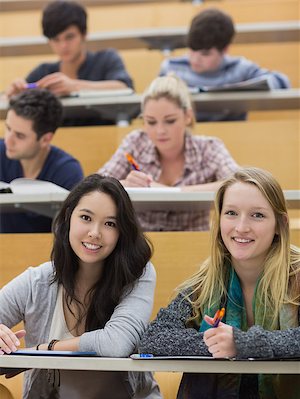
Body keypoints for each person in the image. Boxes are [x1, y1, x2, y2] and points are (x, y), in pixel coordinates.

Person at [140, 167, 300, 399]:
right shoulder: (205, 281)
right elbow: (153, 338)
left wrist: (243, 344)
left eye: (257, 215)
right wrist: (217, 343)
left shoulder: (296, 274)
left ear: (280, 224)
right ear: (219, 220)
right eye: (231, 213)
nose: (241, 227)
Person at [0, 174, 162, 399]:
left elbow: (115, 344)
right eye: (86, 218)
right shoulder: (38, 281)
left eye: (110, 224)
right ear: (68, 218)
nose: (95, 232)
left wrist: (43, 350)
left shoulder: (138, 274)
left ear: (121, 232)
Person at [98, 74, 239, 231]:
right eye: (151, 122)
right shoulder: (135, 142)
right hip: (139, 245)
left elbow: (239, 185)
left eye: (170, 121)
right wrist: (121, 186)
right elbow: (95, 186)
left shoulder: (209, 147)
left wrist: (171, 192)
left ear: (187, 116)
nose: (160, 131)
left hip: (194, 243)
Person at [5, 0, 134, 126]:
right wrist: (13, 95)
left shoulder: (106, 59)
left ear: (84, 34)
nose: (63, 46)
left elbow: (124, 87)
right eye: (56, 39)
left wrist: (74, 86)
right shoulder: (43, 71)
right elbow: (11, 99)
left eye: (70, 37)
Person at [159, 9, 290, 121]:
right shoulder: (172, 68)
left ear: (225, 50)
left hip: (233, 137)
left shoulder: (240, 68)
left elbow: (282, 82)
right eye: (192, 50)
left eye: (205, 54)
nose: (195, 59)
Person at [0, 88, 84, 233]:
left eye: (20, 136)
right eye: (8, 128)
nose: (8, 140)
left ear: (46, 139)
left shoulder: (67, 171)